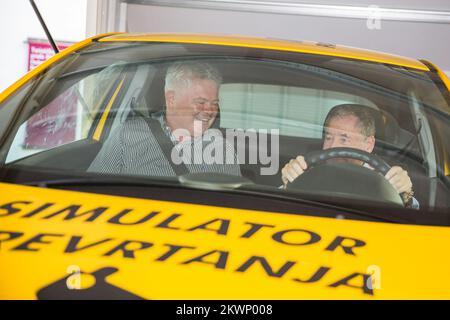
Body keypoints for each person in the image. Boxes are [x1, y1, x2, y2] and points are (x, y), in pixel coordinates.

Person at [88, 61, 241, 177]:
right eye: (200, 102)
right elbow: (92, 193)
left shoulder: (222, 151)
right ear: (171, 99)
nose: (210, 111)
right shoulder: (128, 136)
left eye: (214, 104)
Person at [281, 104, 418, 209]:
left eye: (344, 139)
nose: (332, 147)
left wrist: (405, 195)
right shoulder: (309, 168)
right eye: (328, 138)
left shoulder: (386, 178)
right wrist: (289, 183)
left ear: (368, 144)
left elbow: (411, 222)